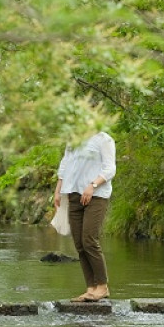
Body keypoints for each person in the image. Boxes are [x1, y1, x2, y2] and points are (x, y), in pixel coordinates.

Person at [53, 128, 116, 302]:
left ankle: (102, 286)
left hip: (96, 195)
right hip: (73, 194)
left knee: (89, 239)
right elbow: (65, 164)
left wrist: (93, 185)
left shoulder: (104, 140)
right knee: (79, 244)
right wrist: (58, 190)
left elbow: (110, 169)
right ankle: (91, 288)